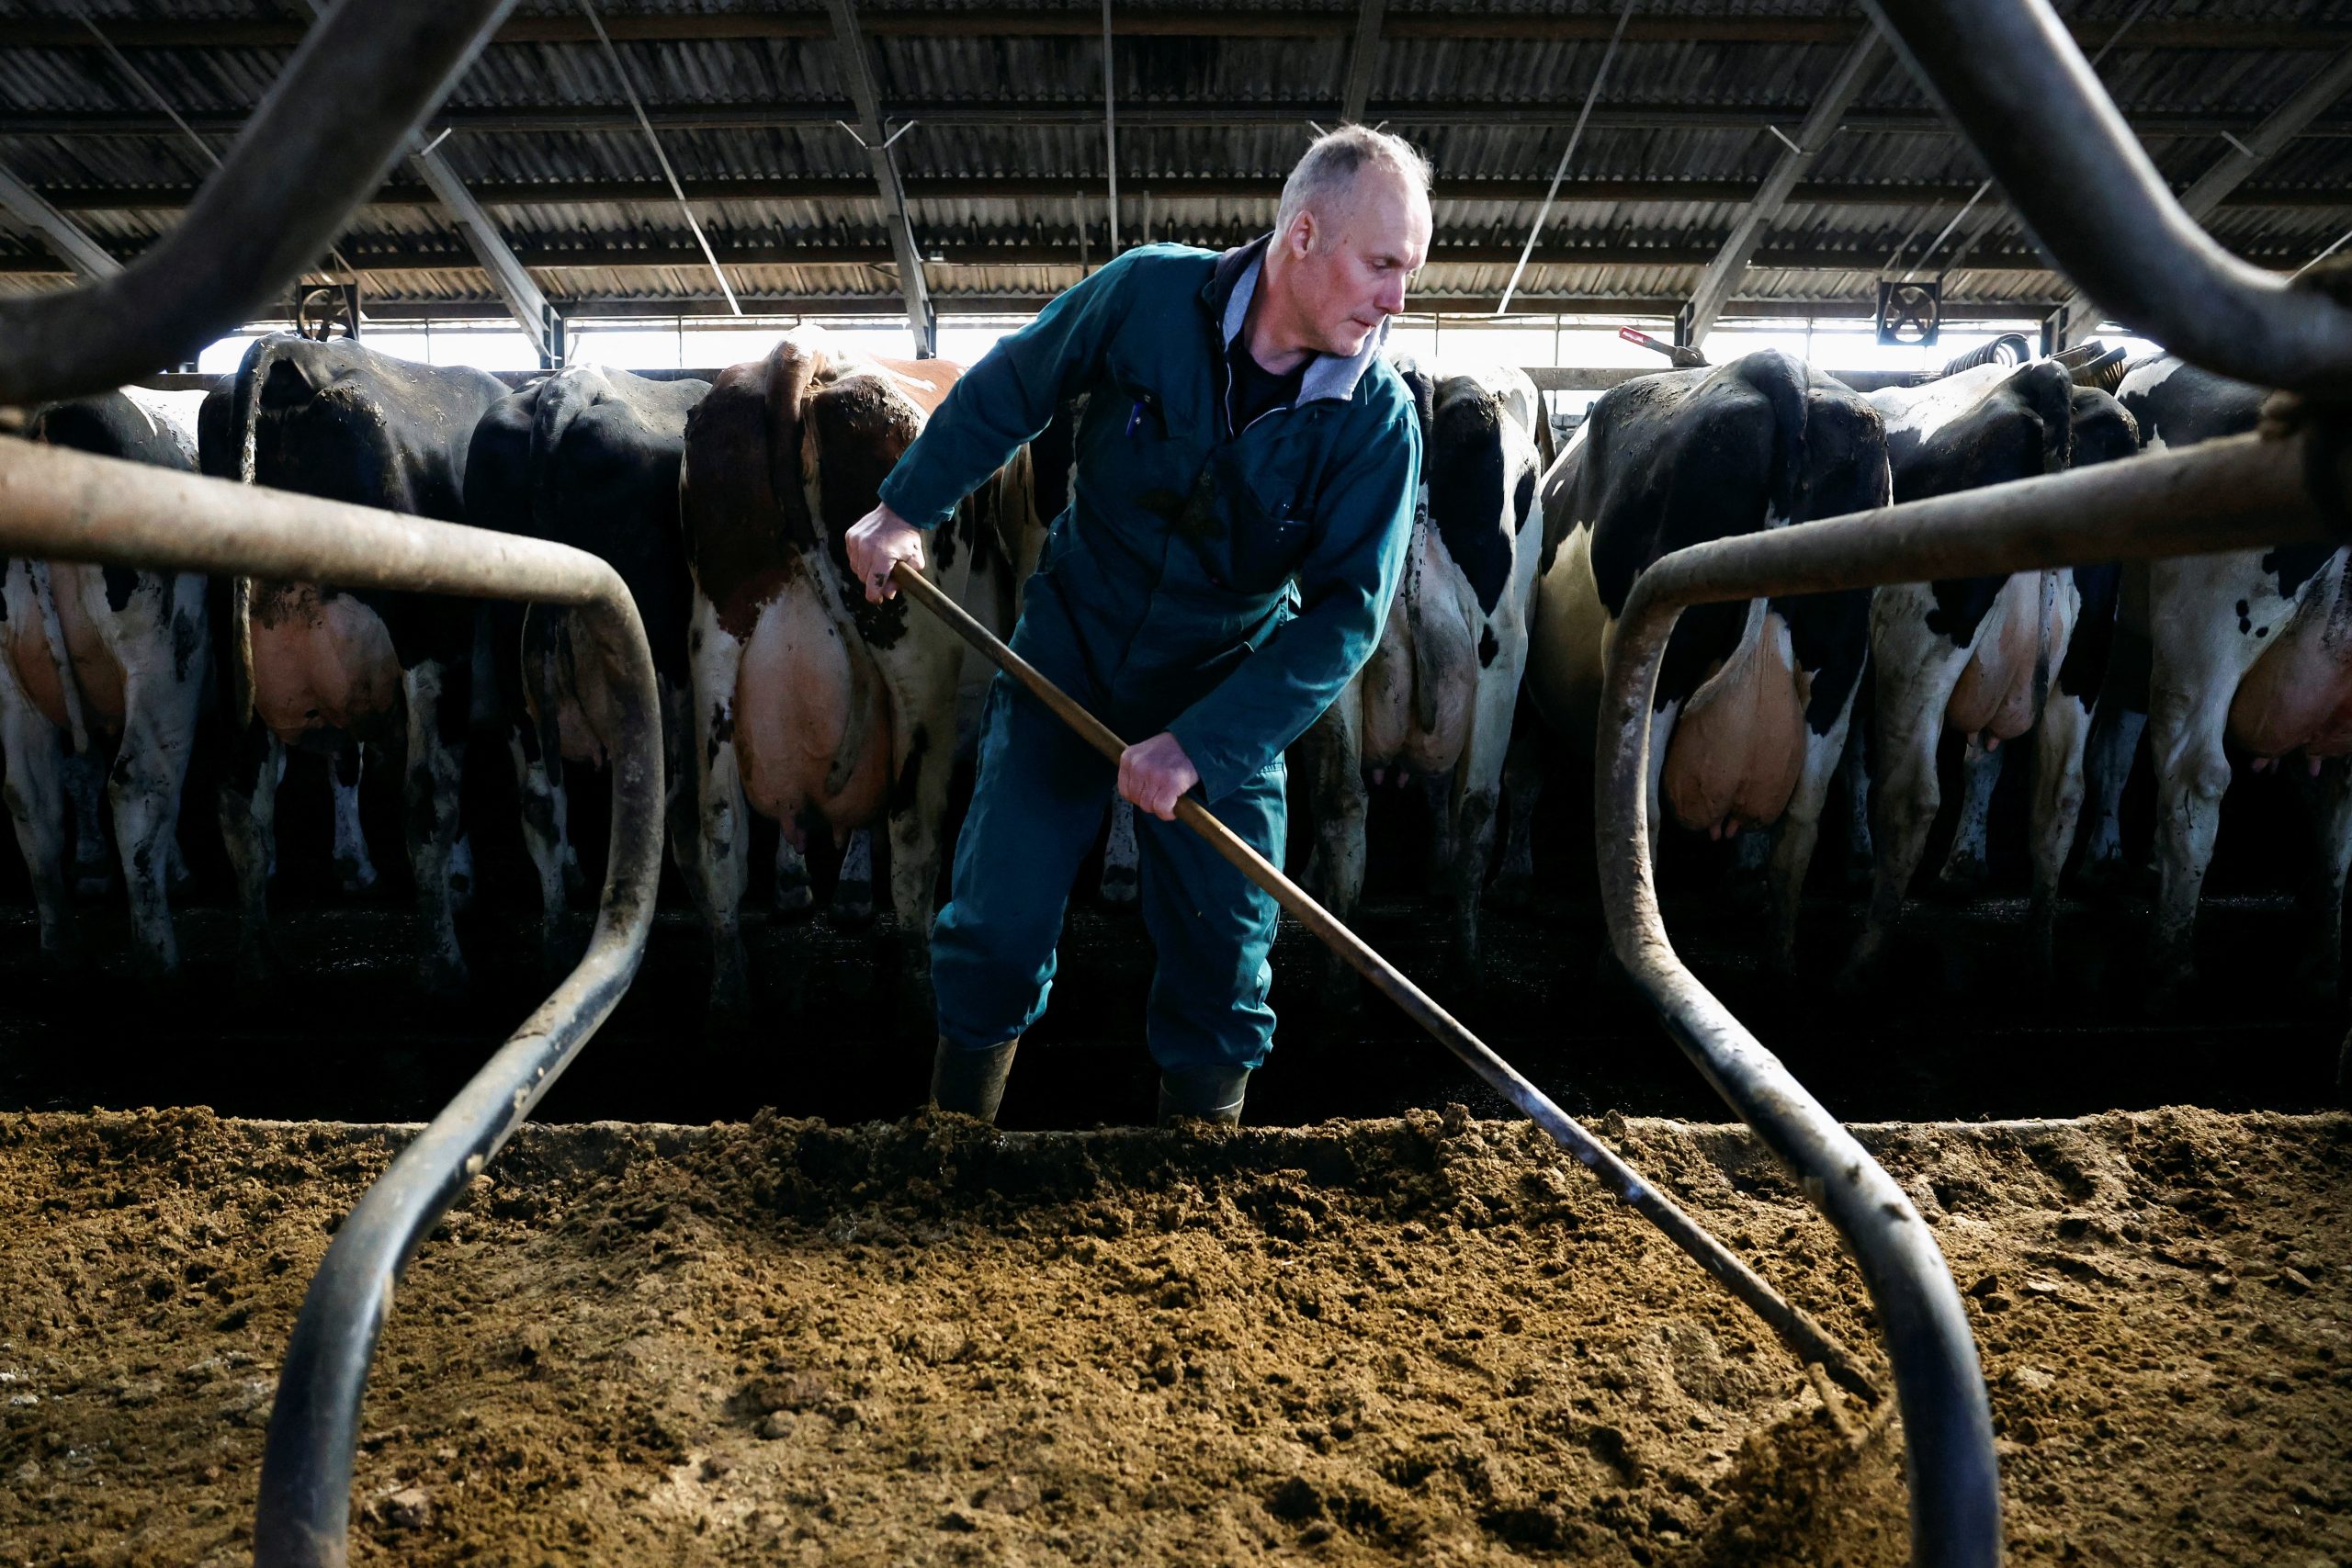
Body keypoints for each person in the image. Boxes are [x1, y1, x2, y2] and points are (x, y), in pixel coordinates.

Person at [843, 124, 1433, 1126]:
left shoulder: (1376, 420)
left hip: (1223, 680)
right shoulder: (1148, 293)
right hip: (1067, 650)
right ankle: (949, 1146)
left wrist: (1202, 744)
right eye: (1382, 266)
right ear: (1302, 235)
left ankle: (1197, 1181)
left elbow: (1345, 619)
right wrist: (906, 507)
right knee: (997, 918)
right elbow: (1014, 384)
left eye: (1407, 272)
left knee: (1223, 953)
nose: (1396, 300)